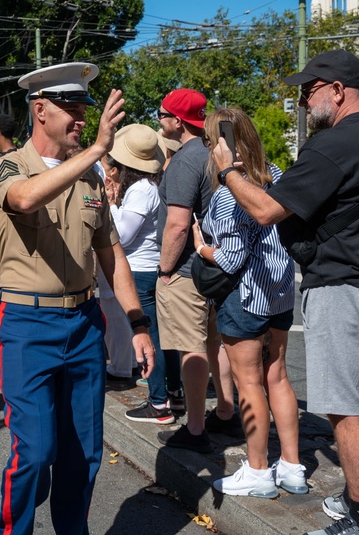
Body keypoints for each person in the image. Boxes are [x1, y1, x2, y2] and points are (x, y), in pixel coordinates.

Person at [211, 49, 359, 535]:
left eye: (309, 89)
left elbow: (264, 210)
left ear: (338, 90)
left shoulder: (332, 145)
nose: (302, 100)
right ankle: (358, 496)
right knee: (357, 399)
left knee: (343, 408)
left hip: (342, 286)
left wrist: (226, 170)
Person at [0, 61, 155, 535]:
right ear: (40, 110)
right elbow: (22, 199)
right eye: (71, 106)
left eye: (85, 105)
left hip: (83, 324)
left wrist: (138, 324)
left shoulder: (91, 179)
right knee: (36, 452)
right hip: (27, 325)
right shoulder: (7, 165)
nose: (82, 117)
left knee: (84, 452)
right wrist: (99, 149)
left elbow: (113, 255)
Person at [195, 108, 305, 499]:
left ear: (222, 146)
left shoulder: (229, 193)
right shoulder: (275, 175)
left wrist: (202, 247)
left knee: (249, 383)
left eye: (210, 142)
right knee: (278, 376)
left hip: (246, 297)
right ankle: (292, 466)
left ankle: (258, 470)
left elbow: (230, 258)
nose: (209, 150)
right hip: (280, 292)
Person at [155, 88, 238, 454]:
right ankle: (225, 410)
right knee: (215, 342)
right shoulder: (212, 152)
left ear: (177, 121)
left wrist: (164, 268)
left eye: (162, 114)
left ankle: (195, 428)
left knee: (191, 348)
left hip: (188, 270)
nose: (158, 120)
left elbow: (177, 224)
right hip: (214, 266)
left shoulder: (187, 159)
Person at [99, 124, 183, 424]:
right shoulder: (149, 187)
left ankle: (159, 403)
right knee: (162, 337)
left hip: (139, 270)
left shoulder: (139, 191)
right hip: (148, 269)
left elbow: (123, 234)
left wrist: (110, 204)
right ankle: (175, 392)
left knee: (152, 338)